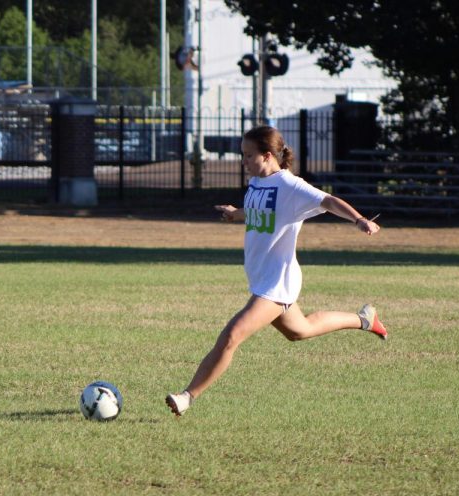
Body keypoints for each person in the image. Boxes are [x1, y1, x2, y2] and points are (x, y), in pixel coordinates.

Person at [165, 125, 388, 417]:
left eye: (248, 155)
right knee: (300, 330)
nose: (243, 161)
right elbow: (263, 212)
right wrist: (237, 214)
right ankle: (364, 319)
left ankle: (187, 396)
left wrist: (359, 220)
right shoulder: (257, 182)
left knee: (232, 335)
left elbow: (328, 200)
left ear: (267, 155)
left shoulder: (290, 186)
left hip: (277, 282)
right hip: (262, 278)